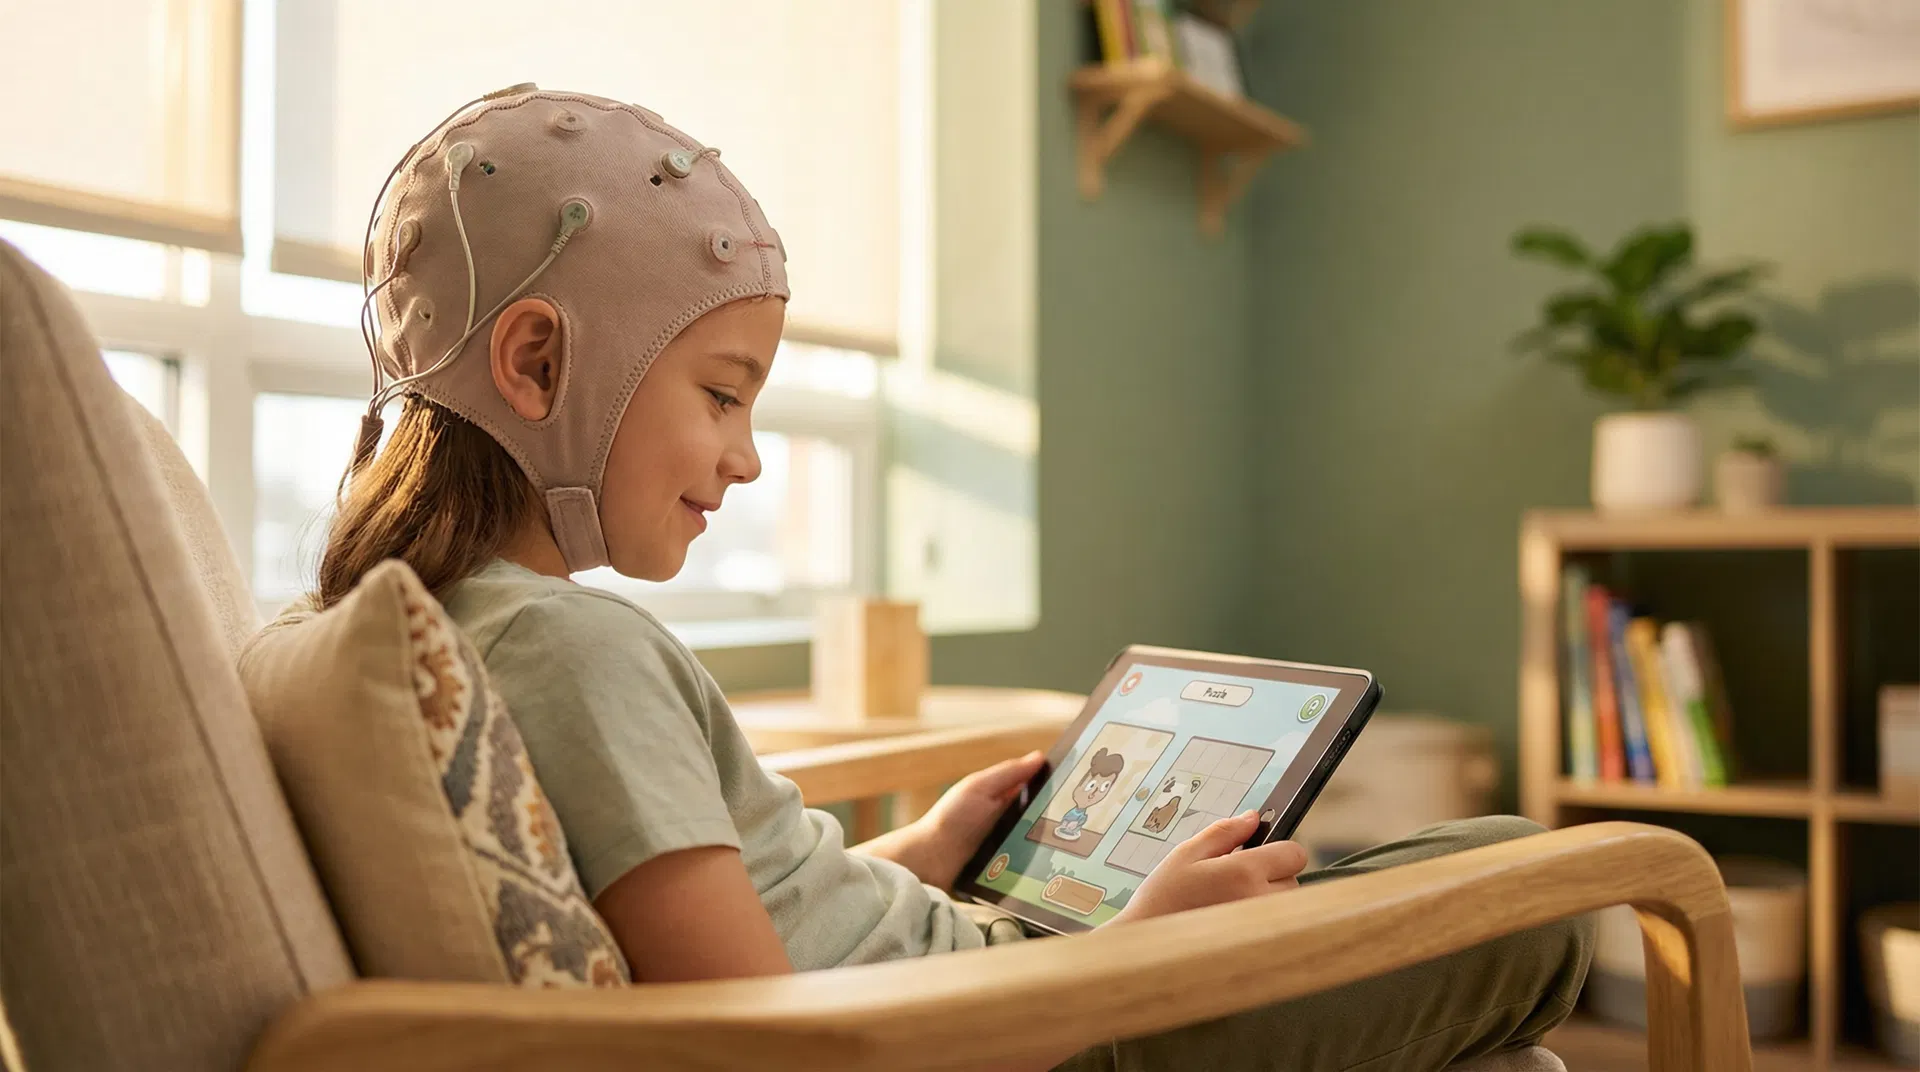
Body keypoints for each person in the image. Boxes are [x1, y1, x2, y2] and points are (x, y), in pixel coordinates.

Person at [313, 86, 1592, 1071]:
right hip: (1049, 1031)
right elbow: (783, 1049)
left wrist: (920, 854)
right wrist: (1148, 947)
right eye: (720, 395)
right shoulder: (573, 651)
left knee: (1459, 891)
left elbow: (751, 914)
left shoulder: (450, 628)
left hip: (988, 975)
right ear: (536, 362)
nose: (746, 458)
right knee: (1526, 883)